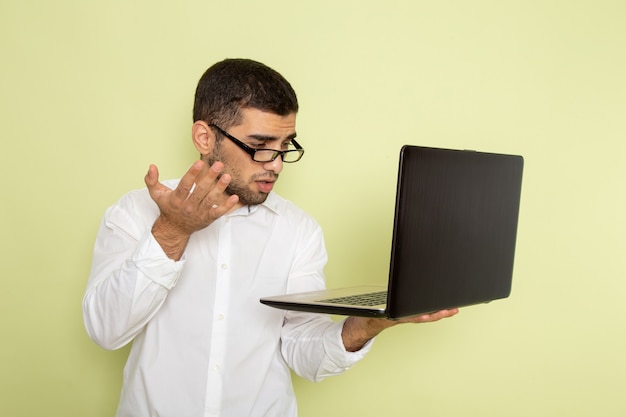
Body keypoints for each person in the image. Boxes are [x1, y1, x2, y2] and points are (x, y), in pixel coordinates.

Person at [82, 58, 458, 417]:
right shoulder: (136, 211)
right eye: (260, 146)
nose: (276, 164)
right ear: (204, 136)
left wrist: (373, 322)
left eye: (284, 146)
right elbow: (105, 331)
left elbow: (301, 351)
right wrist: (172, 232)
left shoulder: (298, 230)